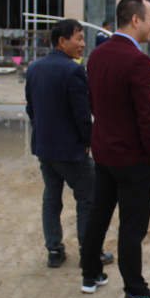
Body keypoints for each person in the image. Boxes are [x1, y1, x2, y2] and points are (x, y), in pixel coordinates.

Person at [80, 0, 150, 298]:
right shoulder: (137, 60)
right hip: (133, 158)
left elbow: (93, 103)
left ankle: (90, 274)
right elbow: (146, 114)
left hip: (104, 153)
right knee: (132, 228)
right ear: (136, 19)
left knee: (98, 216)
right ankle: (135, 291)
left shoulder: (97, 54)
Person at [25, 19, 115, 269]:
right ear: (62, 41)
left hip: (44, 148)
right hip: (70, 150)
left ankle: (54, 250)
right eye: (78, 38)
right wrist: (88, 142)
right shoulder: (74, 70)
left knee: (51, 198)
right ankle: (90, 252)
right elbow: (82, 114)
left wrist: (43, 133)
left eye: (84, 38)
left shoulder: (34, 68)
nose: (83, 44)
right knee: (89, 198)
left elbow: (31, 109)